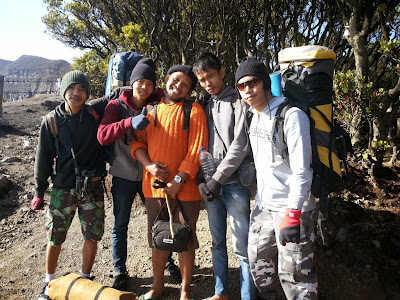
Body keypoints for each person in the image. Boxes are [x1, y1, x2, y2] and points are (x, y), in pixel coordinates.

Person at [235, 57, 318, 299]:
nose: (247, 90)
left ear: (264, 83)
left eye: (252, 82)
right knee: (258, 264)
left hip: (293, 208)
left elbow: (303, 171)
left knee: (295, 276)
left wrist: (293, 214)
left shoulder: (292, 116)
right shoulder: (253, 115)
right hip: (264, 206)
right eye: (241, 86)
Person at [130, 65, 208, 300]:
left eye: (185, 84)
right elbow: (137, 143)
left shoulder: (193, 111)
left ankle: (185, 289)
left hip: (186, 189)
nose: (179, 86)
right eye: (176, 80)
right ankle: (157, 285)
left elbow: (197, 149)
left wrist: (178, 179)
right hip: (153, 187)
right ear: (166, 80)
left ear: (190, 91)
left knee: (184, 238)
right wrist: (149, 166)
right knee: (158, 237)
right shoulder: (150, 110)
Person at [31, 70, 106, 300]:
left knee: (92, 235)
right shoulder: (51, 121)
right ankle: (49, 282)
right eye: (72, 88)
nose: (77, 93)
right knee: (55, 236)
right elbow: (42, 159)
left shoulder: (94, 114)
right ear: (64, 90)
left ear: (87, 94)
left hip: (92, 185)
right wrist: (39, 191)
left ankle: (85, 278)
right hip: (62, 188)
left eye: (82, 89)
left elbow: (117, 94)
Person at [193, 52, 255, 300]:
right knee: (217, 243)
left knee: (243, 247)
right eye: (202, 79)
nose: (208, 83)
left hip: (233, 185)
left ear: (222, 72)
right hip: (211, 185)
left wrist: (216, 179)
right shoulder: (205, 105)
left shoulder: (237, 103)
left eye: (211, 76)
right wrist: (202, 179)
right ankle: (221, 293)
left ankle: (248, 295)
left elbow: (240, 146)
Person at [96, 57, 161, 290]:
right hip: (123, 174)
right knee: (120, 223)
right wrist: (129, 122)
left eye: (149, 83)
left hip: (149, 174)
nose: (144, 87)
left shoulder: (157, 103)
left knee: (159, 221)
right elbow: (103, 135)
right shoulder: (116, 106)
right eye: (140, 81)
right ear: (132, 82)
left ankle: (168, 262)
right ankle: (119, 270)